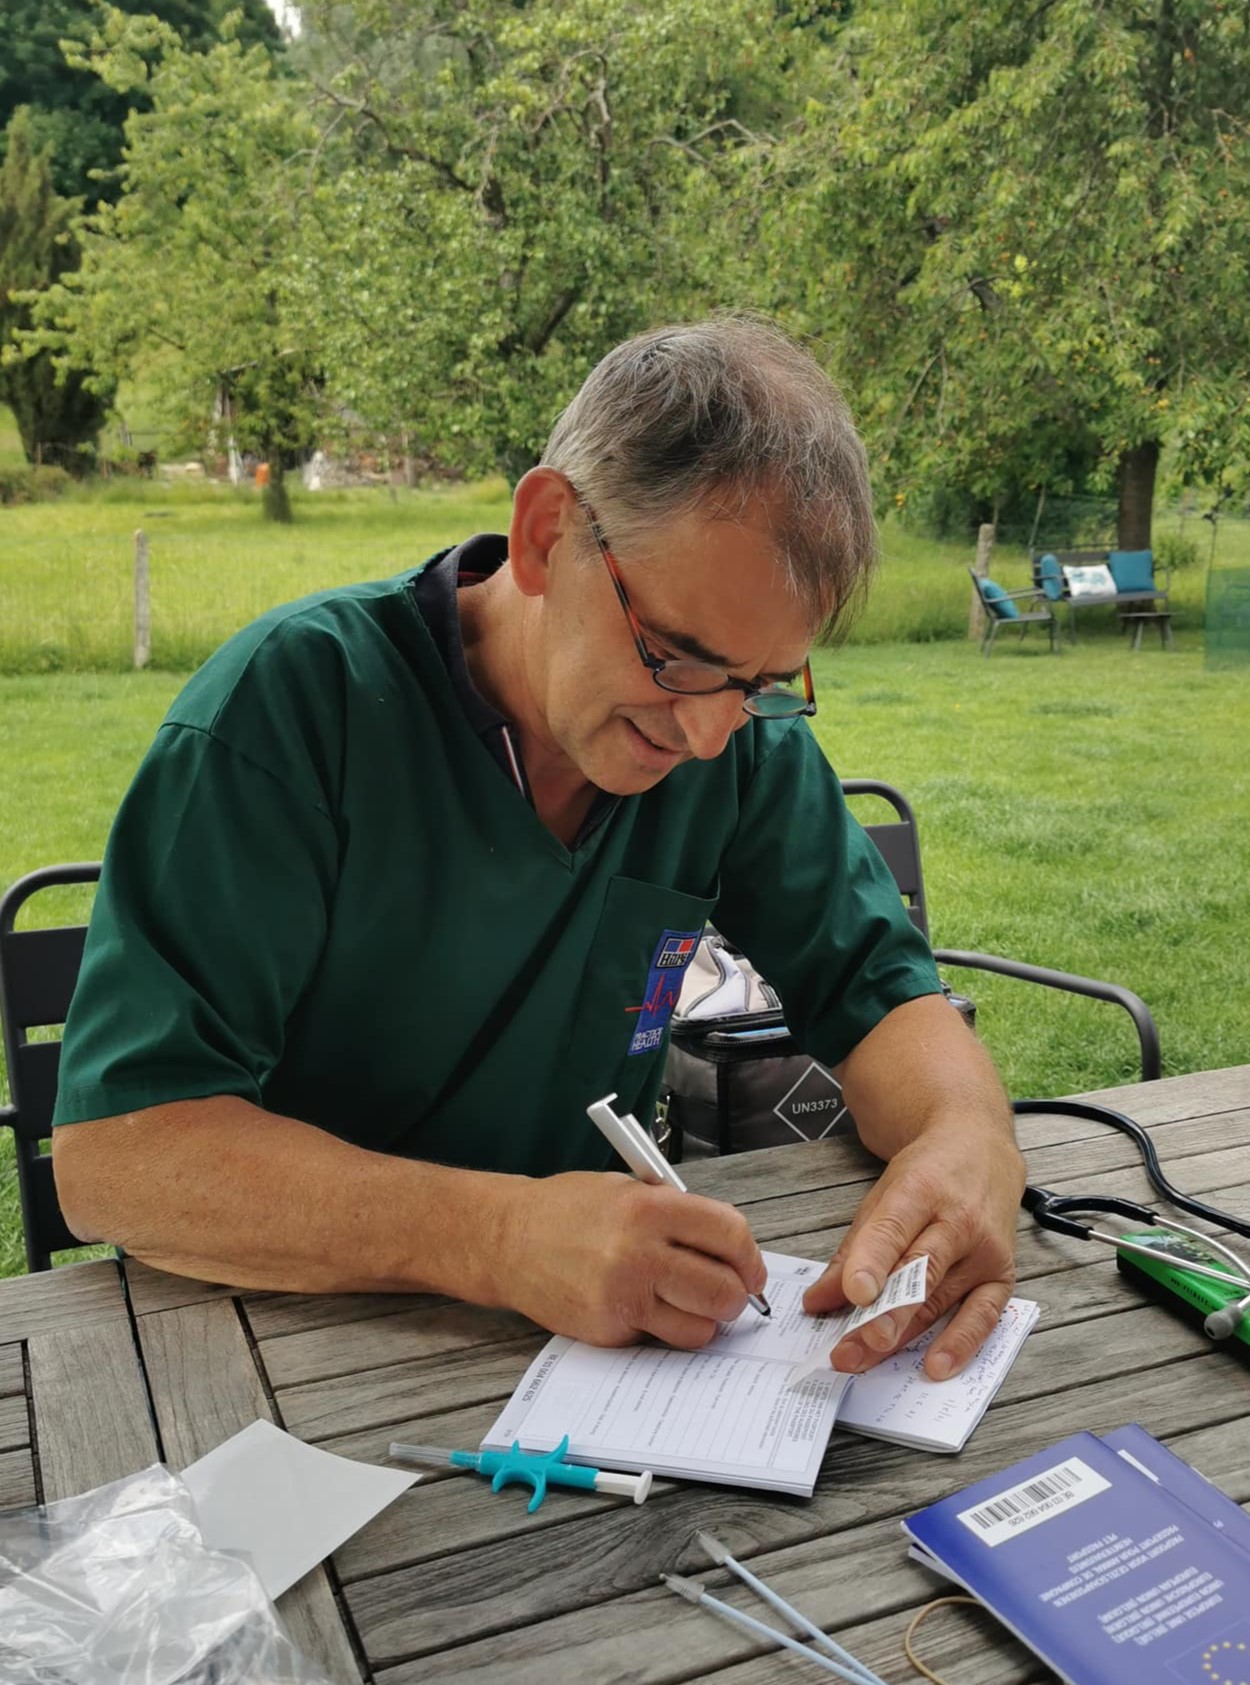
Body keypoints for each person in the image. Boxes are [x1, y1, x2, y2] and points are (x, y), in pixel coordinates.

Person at [51, 317, 1025, 1380]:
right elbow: (122, 1154)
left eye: (759, 682)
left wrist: (967, 1138)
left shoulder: (734, 741)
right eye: (675, 655)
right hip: (281, 1355)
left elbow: (880, 994)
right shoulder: (292, 711)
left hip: (600, 1363)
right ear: (545, 532)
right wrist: (500, 1236)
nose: (706, 734)